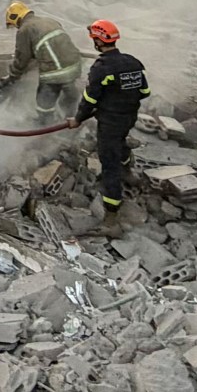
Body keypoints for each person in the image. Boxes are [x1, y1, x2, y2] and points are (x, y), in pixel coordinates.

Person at [68, 19, 149, 236]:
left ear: (98, 41)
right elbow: (144, 92)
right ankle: (128, 172)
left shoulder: (101, 69)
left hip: (110, 122)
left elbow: (89, 100)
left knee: (109, 165)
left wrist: (77, 119)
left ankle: (111, 219)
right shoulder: (133, 62)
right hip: (129, 117)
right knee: (120, 142)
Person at [4, 0, 84, 115]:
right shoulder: (50, 21)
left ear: (15, 18)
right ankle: (70, 119)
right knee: (70, 99)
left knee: (44, 103)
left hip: (55, 72)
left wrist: (13, 75)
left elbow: (22, 57)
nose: (16, 27)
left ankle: (45, 120)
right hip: (75, 66)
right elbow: (53, 46)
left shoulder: (24, 29)